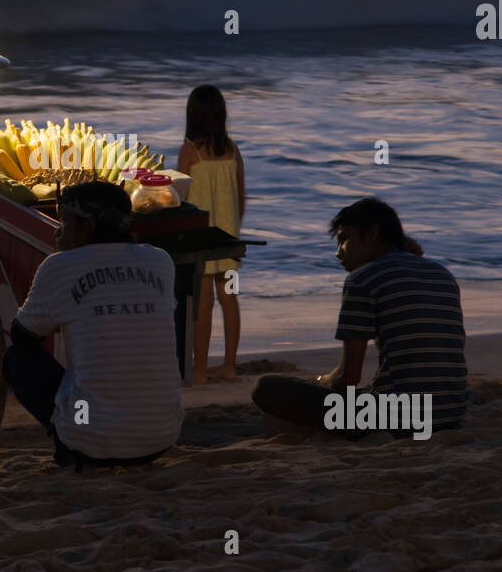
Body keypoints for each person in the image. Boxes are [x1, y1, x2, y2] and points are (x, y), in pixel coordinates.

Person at [2, 181, 185, 471]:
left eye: (64, 221)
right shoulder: (160, 262)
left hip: (90, 438)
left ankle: (72, 441)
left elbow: (22, 335)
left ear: (86, 226)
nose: (57, 230)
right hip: (161, 436)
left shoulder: (60, 265)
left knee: (17, 359)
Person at [251, 197, 468, 437]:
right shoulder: (441, 273)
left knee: (267, 387)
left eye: (344, 239)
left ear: (373, 233)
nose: (338, 252)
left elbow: (348, 378)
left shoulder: (363, 280)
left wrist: (319, 381)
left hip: (402, 418)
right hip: (451, 412)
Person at [176, 84, 246, 384]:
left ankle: (201, 372)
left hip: (201, 242)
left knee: (201, 305)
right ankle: (230, 368)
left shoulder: (189, 152)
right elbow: (242, 196)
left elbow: (180, 200)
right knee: (229, 300)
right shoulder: (233, 151)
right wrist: (234, 228)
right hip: (228, 241)